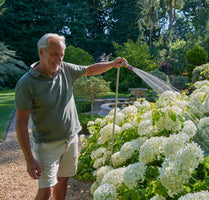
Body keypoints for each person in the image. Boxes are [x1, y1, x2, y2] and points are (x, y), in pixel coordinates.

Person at [15, 33, 127, 200]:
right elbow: (21, 124)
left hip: (71, 139)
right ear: (41, 52)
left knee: (62, 181)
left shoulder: (65, 69)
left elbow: (89, 70)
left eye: (61, 54)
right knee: (46, 191)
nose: (58, 59)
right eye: (54, 54)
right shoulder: (27, 84)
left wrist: (112, 64)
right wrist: (29, 160)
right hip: (47, 145)